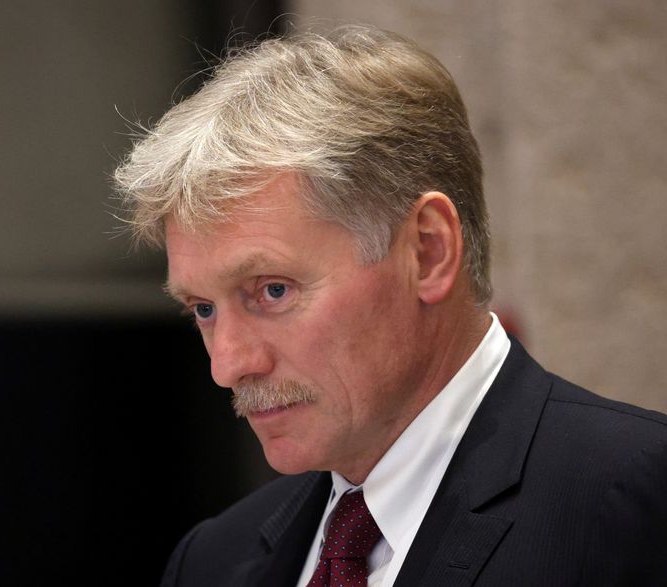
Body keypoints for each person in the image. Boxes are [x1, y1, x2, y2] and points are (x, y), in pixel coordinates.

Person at [114, 24, 667, 586]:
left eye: (271, 290)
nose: (227, 364)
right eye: (203, 309)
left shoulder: (637, 502)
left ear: (428, 252)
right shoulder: (212, 562)